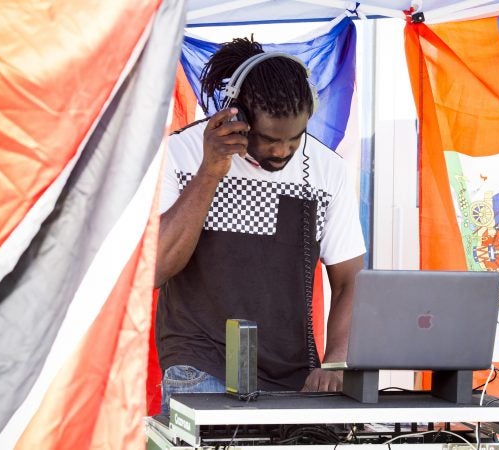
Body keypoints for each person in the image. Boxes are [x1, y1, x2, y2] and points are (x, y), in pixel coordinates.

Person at [155, 37, 366, 415]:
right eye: (269, 139)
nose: (283, 151)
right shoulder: (180, 154)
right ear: (236, 116)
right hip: (201, 362)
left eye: (295, 138)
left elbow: (351, 279)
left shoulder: (328, 170)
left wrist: (336, 362)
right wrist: (210, 172)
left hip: (294, 375)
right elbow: (155, 268)